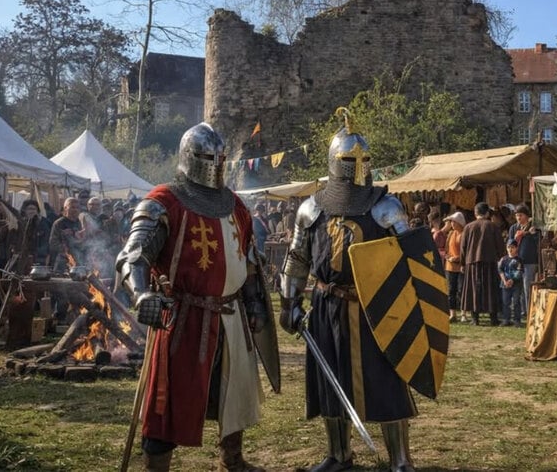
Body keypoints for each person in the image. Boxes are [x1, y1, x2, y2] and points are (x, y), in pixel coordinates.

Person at [115, 122, 273, 472]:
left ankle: (232, 459)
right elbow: (132, 256)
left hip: (231, 317)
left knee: (233, 394)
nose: (214, 164)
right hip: (184, 321)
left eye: (220, 158)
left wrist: (255, 302)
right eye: (206, 157)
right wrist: (141, 295)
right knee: (169, 401)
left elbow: (247, 260)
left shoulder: (235, 205)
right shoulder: (163, 201)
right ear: (189, 157)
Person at [279, 110, 419, 472]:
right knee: (330, 379)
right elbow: (297, 260)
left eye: (363, 159)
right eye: (348, 159)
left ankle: (400, 459)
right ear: (333, 161)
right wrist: (289, 302)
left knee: (386, 380)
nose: (357, 165)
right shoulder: (311, 209)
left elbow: (413, 259)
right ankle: (338, 453)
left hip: (376, 309)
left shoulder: (385, 206)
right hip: (326, 305)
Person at [459, 202, 505, 326]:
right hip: (490, 262)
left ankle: (475, 319)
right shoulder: (493, 226)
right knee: (491, 290)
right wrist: (501, 257)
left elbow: (463, 247)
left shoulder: (468, 227)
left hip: (472, 262)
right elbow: (500, 246)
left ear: (475, 213)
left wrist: (462, 263)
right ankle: (493, 318)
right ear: (487, 213)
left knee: (474, 289)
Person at [508, 204, 539, 323]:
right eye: (517, 215)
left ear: (526, 216)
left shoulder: (533, 227)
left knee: (527, 287)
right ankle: (520, 311)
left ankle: (529, 310)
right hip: (516, 262)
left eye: (520, 215)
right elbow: (509, 244)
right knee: (517, 287)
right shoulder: (514, 228)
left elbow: (538, 241)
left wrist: (531, 234)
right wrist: (515, 239)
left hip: (529, 261)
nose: (518, 218)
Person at [48, 197, 84, 272]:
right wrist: (65, 251)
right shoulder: (59, 223)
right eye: (72, 207)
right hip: (62, 261)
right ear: (65, 208)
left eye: (77, 207)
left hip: (78, 260)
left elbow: (82, 241)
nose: (75, 210)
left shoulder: (80, 223)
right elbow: (53, 243)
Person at [443, 211, 466, 323]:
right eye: (451, 222)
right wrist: (448, 257)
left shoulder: (465, 234)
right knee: (451, 290)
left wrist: (458, 258)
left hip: (461, 266)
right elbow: (446, 249)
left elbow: (467, 250)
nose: (452, 224)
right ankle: (452, 313)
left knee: (462, 290)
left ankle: (463, 313)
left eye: (453, 222)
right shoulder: (451, 234)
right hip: (450, 266)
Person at [16, 199, 50, 274]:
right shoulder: (20, 223)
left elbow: (46, 241)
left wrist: (41, 256)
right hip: (23, 258)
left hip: (39, 259)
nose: (32, 211)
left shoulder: (43, 223)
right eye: (29, 209)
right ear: (24, 210)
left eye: (34, 209)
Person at [498, 239, 524, 327]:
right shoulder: (503, 259)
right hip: (505, 284)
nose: (510, 249)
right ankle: (506, 319)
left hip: (516, 284)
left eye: (512, 247)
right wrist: (505, 281)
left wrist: (512, 280)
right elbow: (500, 270)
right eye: (509, 247)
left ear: (516, 248)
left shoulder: (519, 260)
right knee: (506, 302)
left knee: (516, 301)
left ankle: (517, 320)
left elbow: (519, 272)